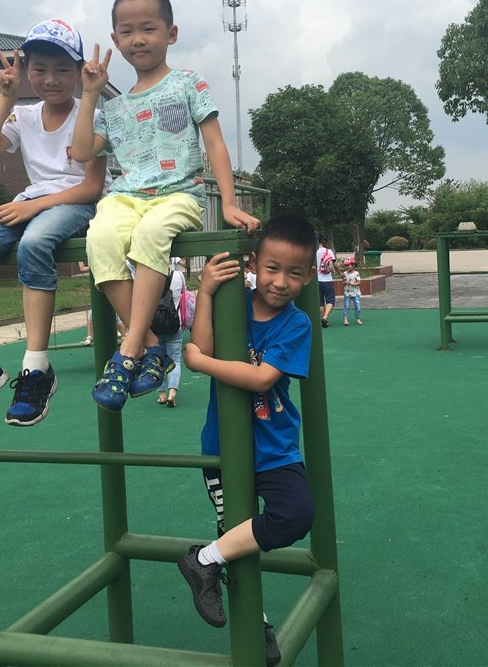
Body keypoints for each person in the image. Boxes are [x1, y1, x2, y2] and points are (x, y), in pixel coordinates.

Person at [71, 0, 259, 413]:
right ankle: (152, 346)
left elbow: (215, 144)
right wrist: (90, 93)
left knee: (151, 233)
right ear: (115, 40)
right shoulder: (113, 107)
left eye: (148, 28)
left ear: (171, 33)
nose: (138, 39)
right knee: (99, 238)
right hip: (126, 197)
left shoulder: (188, 83)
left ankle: (129, 350)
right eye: (127, 31)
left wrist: (229, 203)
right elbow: (81, 151)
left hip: (178, 194)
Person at [0, 19, 108, 427]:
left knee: (35, 243)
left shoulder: (90, 114)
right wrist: (6, 97)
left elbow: (91, 187)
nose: (50, 79)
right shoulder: (24, 115)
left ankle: (37, 368)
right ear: (27, 70)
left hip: (75, 203)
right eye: (40, 69)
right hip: (32, 202)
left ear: (79, 71)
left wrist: (35, 208)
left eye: (62, 69)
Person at [176, 213, 317, 667]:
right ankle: (254, 623)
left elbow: (260, 378)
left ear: (308, 276)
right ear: (253, 263)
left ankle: (202, 559)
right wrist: (205, 292)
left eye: (294, 273)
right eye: (272, 268)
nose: (280, 282)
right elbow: (203, 344)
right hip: (222, 449)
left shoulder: (296, 324)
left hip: (275, 449)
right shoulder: (233, 302)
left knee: (296, 514)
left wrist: (200, 365)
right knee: (236, 537)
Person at [156, 258, 186, 408]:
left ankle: (161, 395)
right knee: (175, 359)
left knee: (157, 359)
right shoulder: (179, 276)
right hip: (174, 323)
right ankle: (172, 392)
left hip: (155, 324)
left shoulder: (151, 277)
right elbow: (184, 294)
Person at [315, 237, 337, 327]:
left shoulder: (314, 252)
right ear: (323, 241)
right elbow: (334, 264)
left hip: (317, 280)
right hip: (327, 280)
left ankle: (323, 320)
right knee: (330, 300)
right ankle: (325, 317)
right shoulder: (328, 251)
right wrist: (340, 274)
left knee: (320, 302)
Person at [341, 257, 363, 326]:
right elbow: (343, 282)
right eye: (345, 265)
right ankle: (345, 319)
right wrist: (344, 282)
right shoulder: (345, 273)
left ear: (353, 265)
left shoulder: (356, 273)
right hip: (347, 293)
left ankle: (358, 319)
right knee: (346, 306)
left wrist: (351, 283)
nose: (346, 267)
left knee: (357, 306)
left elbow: (359, 282)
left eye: (348, 265)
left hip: (356, 293)